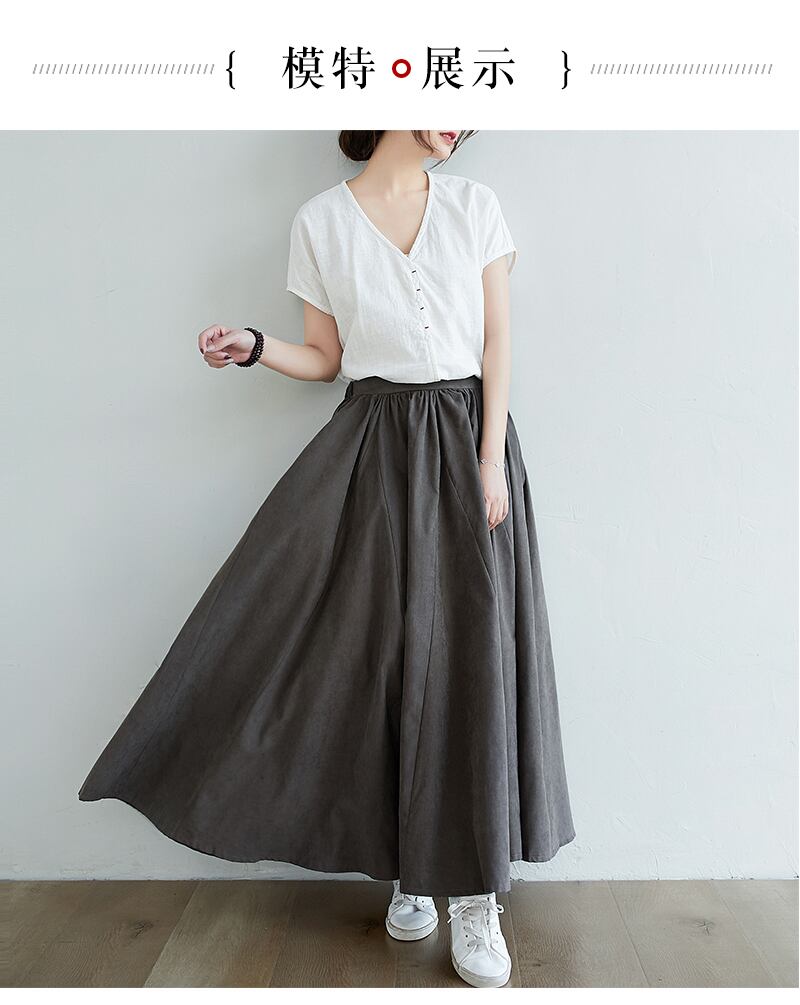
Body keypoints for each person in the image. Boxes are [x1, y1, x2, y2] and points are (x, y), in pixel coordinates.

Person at [78, 129, 576, 989]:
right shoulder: (320, 222)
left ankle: (473, 894)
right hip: (372, 450)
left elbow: (497, 343)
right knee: (372, 660)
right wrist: (255, 345)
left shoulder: (474, 207)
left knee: (470, 663)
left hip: (467, 445)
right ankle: (410, 866)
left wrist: (490, 459)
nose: (455, 117)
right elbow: (327, 359)